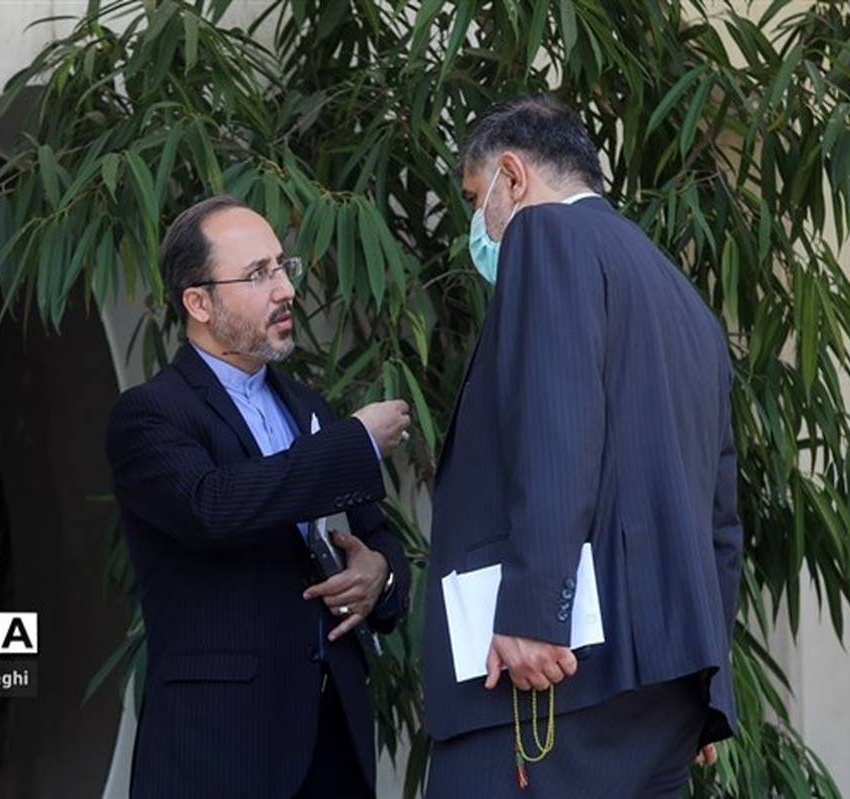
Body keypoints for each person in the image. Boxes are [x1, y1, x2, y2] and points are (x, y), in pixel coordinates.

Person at [422, 95, 741, 797]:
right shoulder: (683, 299)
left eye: (474, 199)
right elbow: (719, 516)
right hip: (664, 691)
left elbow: (557, 435)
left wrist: (533, 614)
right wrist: (706, 687)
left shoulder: (545, 237)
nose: (478, 224)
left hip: (554, 676)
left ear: (512, 177)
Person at [106, 195, 412, 798]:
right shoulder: (150, 414)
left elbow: (377, 538)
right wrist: (353, 444)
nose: (285, 290)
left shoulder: (308, 407)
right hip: (220, 750)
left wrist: (379, 575)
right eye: (256, 275)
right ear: (199, 303)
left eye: (282, 267)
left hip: (333, 740)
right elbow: (213, 507)